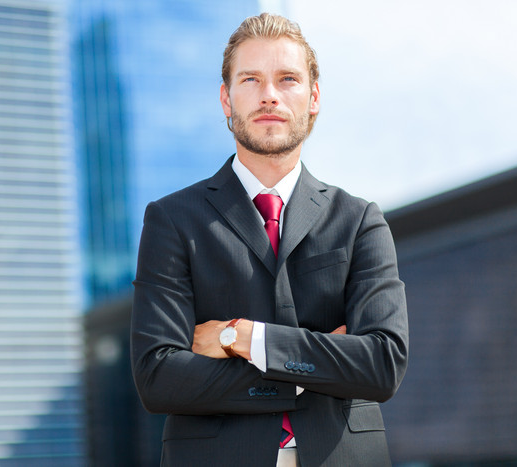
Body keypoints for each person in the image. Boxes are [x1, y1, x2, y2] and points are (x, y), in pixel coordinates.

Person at [131, 12, 408, 467]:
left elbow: (381, 364)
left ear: (313, 96)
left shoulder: (360, 221)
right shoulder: (171, 220)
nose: (269, 96)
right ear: (227, 98)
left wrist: (243, 338)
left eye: (287, 79)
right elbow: (158, 376)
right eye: (251, 79)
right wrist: (315, 367)